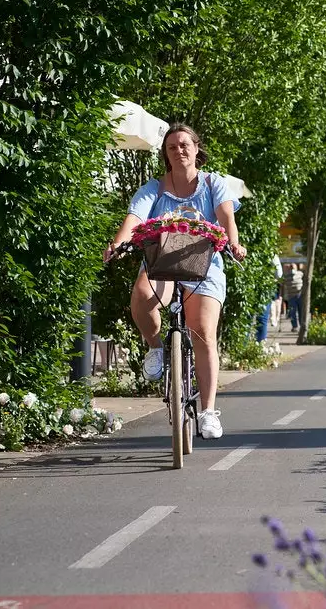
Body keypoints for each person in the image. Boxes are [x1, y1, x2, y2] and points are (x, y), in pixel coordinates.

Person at [104, 124, 246, 440]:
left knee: (203, 331)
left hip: (204, 265)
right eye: (171, 147)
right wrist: (118, 243)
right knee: (142, 295)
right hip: (162, 263)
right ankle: (156, 348)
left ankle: (208, 412)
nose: (178, 150)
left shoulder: (213, 183)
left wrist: (233, 244)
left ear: (196, 149)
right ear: (166, 155)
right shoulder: (153, 189)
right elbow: (135, 219)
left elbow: (226, 219)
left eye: (184, 145)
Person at [254, 253, 283, 343]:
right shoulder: (271, 254)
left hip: (250, 285)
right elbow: (279, 273)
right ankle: (260, 345)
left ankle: (243, 347)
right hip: (265, 287)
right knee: (262, 318)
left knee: (246, 318)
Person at [283, 263, 304, 332]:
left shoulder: (300, 273)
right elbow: (282, 284)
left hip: (300, 295)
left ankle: (301, 325)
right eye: (291, 267)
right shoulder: (286, 276)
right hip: (291, 296)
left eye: (293, 267)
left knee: (301, 311)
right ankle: (295, 326)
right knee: (292, 312)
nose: (292, 269)